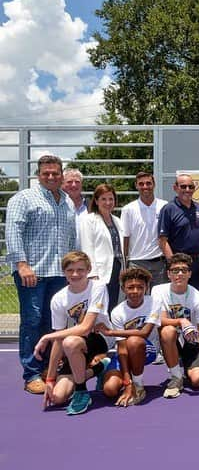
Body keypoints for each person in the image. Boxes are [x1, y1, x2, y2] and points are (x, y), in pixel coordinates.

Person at [6, 154, 76, 394]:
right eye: (46, 173)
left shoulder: (67, 201)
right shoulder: (23, 198)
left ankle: (49, 368)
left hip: (59, 273)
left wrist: (72, 270)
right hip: (32, 272)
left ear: (61, 175)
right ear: (39, 175)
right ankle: (31, 373)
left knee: (53, 322)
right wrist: (22, 264)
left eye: (55, 173)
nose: (51, 177)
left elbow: (71, 239)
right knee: (32, 322)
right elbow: (13, 232)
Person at [32, 251, 112, 415]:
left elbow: (86, 327)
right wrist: (50, 378)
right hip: (77, 344)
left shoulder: (98, 287)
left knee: (70, 341)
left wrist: (46, 336)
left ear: (88, 270)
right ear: (64, 272)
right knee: (57, 397)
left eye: (80, 269)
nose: (75, 274)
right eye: (70, 270)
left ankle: (82, 392)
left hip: (100, 338)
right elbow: (58, 339)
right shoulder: (58, 299)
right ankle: (99, 369)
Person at [94, 267, 162, 406]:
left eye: (140, 287)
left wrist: (111, 332)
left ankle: (138, 385)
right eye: (130, 287)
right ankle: (107, 367)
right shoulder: (117, 312)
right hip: (125, 352)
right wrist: (126, 382)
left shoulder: (154, 303)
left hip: (148, 350)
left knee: (135, 341)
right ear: (123, 289)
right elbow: (122, 348)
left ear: (146, 288)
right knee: (110, 390)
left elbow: (144, 333)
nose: (135, 291)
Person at [151, 253, 199, 398]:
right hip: (170, 340)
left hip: (192, 341)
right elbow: (160, 320)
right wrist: (181, 321)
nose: (179, 274)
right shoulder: (158, 291)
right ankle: (176, 377)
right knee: (168, 331)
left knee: (198, 381)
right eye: (175, 270)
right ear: (168, 274)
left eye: (184, 270)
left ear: (190, 274)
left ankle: (185, 366)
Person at [78, 183, 125, 311]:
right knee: (98, 307)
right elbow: (87, 248)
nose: (108, 202)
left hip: (116, 268)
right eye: (103, 199)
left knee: (112, 305)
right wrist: (92, 274)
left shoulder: (117, 220)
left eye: (111, 199)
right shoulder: (89, 220)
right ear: (97, 201)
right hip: (99, 271)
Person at [158, 173, 199, 293]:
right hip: (178, 261)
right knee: (177, 296)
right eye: (183, 187)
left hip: (197, 262)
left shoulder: (198, 207)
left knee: (195, 296)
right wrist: (174, 263)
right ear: (175, 188)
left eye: (190, 187)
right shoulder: (168, 209)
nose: (187, 190)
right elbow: (162, 240)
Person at [121, 171, 168, 288]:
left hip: (159, 263)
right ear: (136, 186)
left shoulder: (164, 206)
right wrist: (125, 264)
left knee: (159, 299)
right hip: (137, 263)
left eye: (148, 183)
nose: (145, 187)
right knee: (135, 299)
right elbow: (125, 238)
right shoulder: (128, 209)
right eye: (141, 184)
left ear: (154, 184)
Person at [62, 167, 87, 245]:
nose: (74, 185)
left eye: (77, 182)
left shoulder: (91, 207)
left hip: (87, 255)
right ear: (62, 184)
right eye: (69, 182)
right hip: (64, 255)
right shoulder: (56, 206)